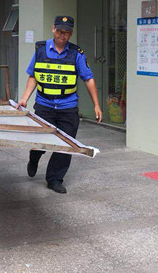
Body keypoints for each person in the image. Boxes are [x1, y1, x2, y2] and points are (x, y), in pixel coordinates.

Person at [17, 15, 102, 194]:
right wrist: (24, 98)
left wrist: (96, 105)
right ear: (53, 29)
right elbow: (33, 75)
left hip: (67, 106)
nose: (62, 35)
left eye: (67, 32)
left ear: (71, 33)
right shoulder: (41, 51)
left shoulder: (76, 53)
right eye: (60, 31)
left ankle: (55, 179)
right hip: (44, 105)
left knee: (66, 144)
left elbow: (88, 79)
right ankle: (34, 158)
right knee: (40, 142)